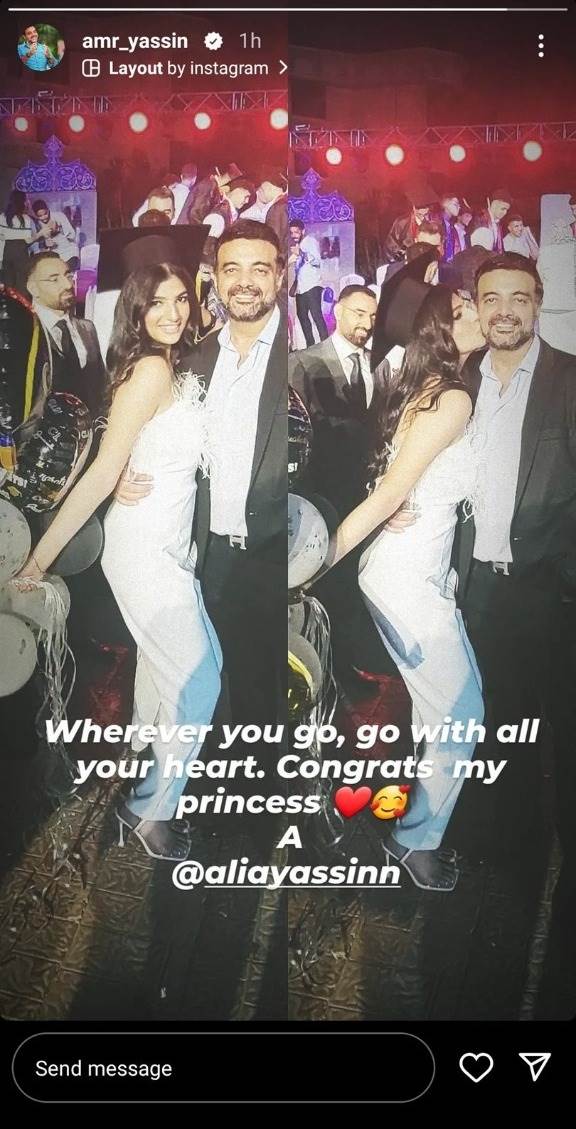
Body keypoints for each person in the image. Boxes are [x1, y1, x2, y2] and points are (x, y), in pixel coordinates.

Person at [14, 261, 222, 862]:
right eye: (157, 303)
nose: (172, 313)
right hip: (144, 550)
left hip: (170, 547)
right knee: (200, 680)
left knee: (175, 676)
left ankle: (142, 787)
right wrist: (39, 560)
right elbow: (105, 468)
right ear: (136, 309)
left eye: (180, 300)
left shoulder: (170, 363)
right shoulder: (151, 369)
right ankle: (150, 811)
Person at [315, 285, 487, 890]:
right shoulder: (452, 399)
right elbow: (389, 492)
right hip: (407, 577)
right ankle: (414, 843)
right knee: (463, 714)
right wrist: (316, 563)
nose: (480, 314)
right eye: (465, 310)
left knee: (439, 711)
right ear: (442, 327)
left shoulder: (436, 387)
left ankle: (404, 824)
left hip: (414, 570)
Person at [114, 220, 286, 738]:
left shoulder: (299, 355)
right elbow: (139, 422)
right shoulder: (193, 358)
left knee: (263, 704)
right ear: (213, 277)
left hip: (272, 559)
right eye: (232, 269)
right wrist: (121, 470)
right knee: (200, 693)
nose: (245, 282)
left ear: (280, 275)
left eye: (259, 269)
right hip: (202, 555)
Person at [455, 254, 576, 865]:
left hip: (554, 591)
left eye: (518, 298)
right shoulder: (459, 381)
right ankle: (513, 849)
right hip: (480, 591)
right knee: (502, 724)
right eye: (492, 299)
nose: (504, 311)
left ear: (538, 305)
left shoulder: (569, 379)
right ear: (477, 308)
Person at [289, 284, 394, 679]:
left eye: (372, 316)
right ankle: (325, 672)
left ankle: (350, 668)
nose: (366, 323)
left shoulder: (380, 367)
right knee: (321, 590)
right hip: (321, 501)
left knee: (354, 586)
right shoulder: (303, 362)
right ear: (337, 312)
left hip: (365, 501)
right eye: (358, 313)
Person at [26, 252, 107, 418]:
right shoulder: (23, 333)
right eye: (54, 279)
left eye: (68, 276)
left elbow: (100, 385)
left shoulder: (87, 328)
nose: (68, 284)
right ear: (33, 288)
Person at [0, 190, 50, 295]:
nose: (28, 202)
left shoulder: (2, 217)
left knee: (9, 288)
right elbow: (27, 240)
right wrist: (40, 233)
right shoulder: (25, 219)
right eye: (26, 199)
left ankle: (11, 306)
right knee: (22, 289)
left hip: (6, 255)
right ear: (21, 202)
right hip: (20, 256)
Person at [289, 218, 328, 346]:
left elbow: (317, 261)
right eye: (291, 233)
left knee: (316, 316)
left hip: (312, 285)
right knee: (302, 316)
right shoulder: (298, 246)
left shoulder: (310, 241)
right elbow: (299, 270)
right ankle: (310, 346)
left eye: (296, 232)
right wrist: (294, 285)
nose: (293, 235)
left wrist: (301, 253)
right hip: (301, 288)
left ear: (303, 231)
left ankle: (326, 345)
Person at [31, 200, 80, 270]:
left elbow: (72, 235)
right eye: (40, 216)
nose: (44, 217)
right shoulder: (36, 224)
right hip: (53, 256)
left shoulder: (59, 216)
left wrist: (59, 230)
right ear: (36, 215)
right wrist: (45, 244)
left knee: (66, 270)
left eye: (45, 214)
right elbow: (36, 245)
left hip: (69, 253)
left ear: (48, 210)